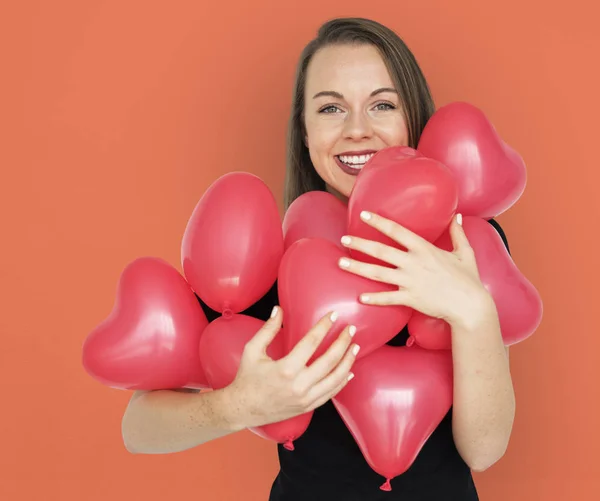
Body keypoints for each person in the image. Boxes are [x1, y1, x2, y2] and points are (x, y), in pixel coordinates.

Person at [121, 17, 516, 500]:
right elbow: (137, 430)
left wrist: (473, 310)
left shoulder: (466, 243)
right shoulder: (259, 258)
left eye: (383, 104)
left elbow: (484, 450)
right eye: (331, 108)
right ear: (305, 135)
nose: (357, 130)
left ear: (414, 119)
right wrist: (237, 407)